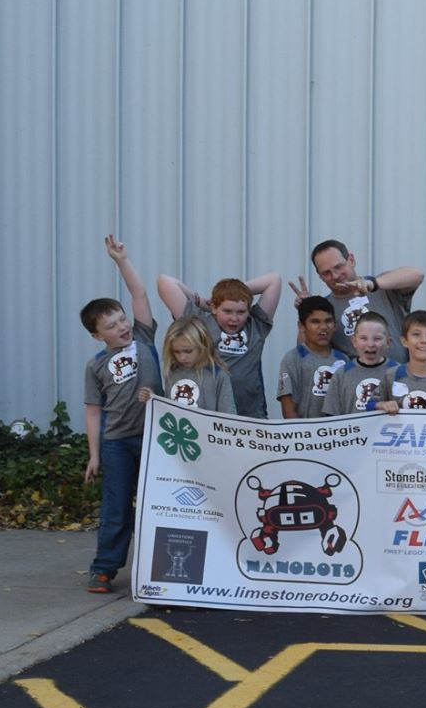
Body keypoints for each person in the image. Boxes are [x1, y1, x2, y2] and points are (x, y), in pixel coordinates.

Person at [80, 234, 160, 594]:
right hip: (116, 443)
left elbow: (139, 293)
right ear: (97, 336)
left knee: (157, 503)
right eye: (111, 326)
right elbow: (93, 412)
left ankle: (161, 567)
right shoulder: (96, 365)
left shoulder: (144, 338)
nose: (122, 327)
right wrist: (94, 454)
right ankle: (103, 569)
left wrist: (122, 261)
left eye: (122, 319)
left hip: (154, 436)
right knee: (116, 507)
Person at [154, 271, 282, 418]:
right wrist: (203, 302)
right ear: (214, 308)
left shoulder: (256, 327)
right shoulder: (200, 325)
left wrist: (235, 290)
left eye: (241, 312)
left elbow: (274, 280)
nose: (234, 318)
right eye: (227, 311)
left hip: (250, 417)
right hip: (211, 419)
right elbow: (164, 282)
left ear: (248, 311)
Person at [294, 239, 423, 364]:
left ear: (351, 260)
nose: (335, 276)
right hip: (356, 377)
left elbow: (417, 275)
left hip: (400, 374)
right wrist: (305, 311)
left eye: (338, 267)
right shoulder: (325, 308)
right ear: (320, 276)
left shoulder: (384, 287)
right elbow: (304, 353)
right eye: (326, 273)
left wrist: (373, 284)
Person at [276, 295, 351, 420]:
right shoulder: (293, 359)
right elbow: (288, 411)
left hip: (339, 431)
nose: (323, 327)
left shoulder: (344, 360)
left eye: (328, 321)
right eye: (315, 321)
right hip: (305, 431)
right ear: (301, 326)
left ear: (335, 325)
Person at [323, 316, 401, 415]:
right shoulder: (341, 374)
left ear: (388, 342)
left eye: (377, 339)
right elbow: (331, 416)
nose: (370, 344)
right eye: (364, 338)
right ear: (354, 341)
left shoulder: (399, 372)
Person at [158, 316, 236, 414]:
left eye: (188, 351)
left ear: (203, 345)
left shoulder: (218, 375)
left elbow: (228, 416)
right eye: (176, 352)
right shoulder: (172, 372)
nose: (182, 357)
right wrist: (151, 398)